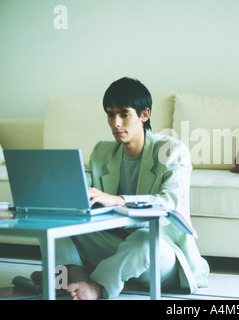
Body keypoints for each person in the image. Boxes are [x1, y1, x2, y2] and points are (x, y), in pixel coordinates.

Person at [31, 77, 209, 299]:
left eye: (124, 114)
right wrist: (58, 190)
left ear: (144, 115)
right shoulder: (102, 152)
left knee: (144, 239)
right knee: (52, 223)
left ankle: (96, 286)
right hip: (116, 245)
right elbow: (85, 188)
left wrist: (119, 199)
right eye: (110, 114)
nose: (115, 123)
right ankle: (77, 277)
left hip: (161, 254)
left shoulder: (172, 151)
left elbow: (171, 203)